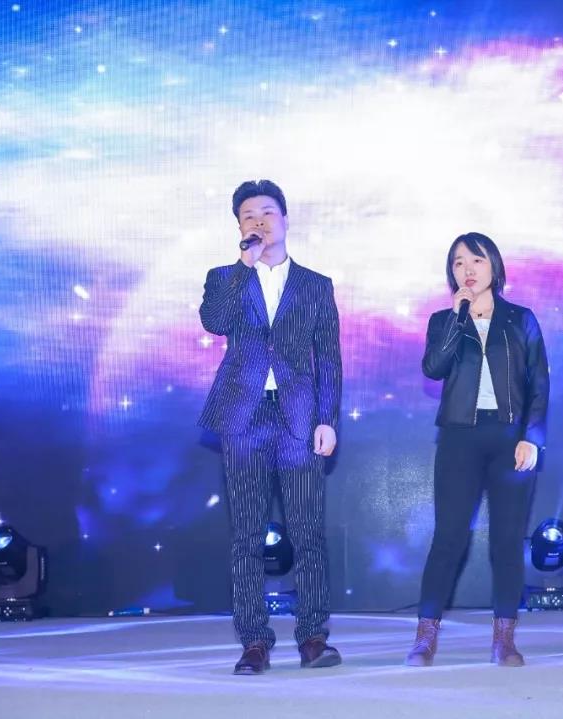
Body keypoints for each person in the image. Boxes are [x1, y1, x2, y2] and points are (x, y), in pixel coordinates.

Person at [198, 179, 343, 674]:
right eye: (248, 215)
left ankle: (313, 637)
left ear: (284, 219)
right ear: (239, 226)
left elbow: (328, 358)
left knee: (308, 533)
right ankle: (254, 642)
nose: (259, 221)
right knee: (246, 536)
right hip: (243, 417)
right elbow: (215, 321)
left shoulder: (315, 284)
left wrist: (327, 419)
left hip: (298, 417)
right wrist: (244, 265)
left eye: (267, 212)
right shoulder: (225, 277)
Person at [406, 232, 549, 667]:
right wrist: (457, 318)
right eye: (458, 263)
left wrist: (532, 436)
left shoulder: (521, 319)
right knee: (449, 537)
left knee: (506, 540)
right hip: (459, 438)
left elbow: (539, 383)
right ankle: (425, 637)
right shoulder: (443, 320)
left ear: (494, 266)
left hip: (510, 439)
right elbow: (434, 367)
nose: (467, 270)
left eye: (477, 260)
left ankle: (504, 639)